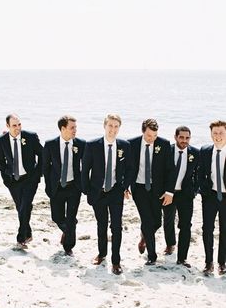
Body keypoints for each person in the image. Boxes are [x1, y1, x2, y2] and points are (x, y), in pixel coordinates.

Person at [82, 114, 133, 275]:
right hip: (98, 192)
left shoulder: (125, 145)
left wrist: (125, 186)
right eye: (110, 126)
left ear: (119, 128)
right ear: (105, 126)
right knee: (101, 225)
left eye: (116, 126)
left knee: (116, 227)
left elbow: (131, 169)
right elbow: (85, 171)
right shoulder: (92, 145)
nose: (113, 129)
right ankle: (102, 254)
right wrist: (87, 191)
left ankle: (116, 261)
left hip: (116, 192)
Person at [129, 118, 175, 265]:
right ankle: (152, 256)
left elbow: (170, 170)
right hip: (139, 188)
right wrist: (124, 187)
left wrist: (169, 191)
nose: (151, 139)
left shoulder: (164, 144)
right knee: (148, 220)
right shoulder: (132, 144)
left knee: (157, 222)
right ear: (143, 131)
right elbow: (127, 168)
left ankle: (144, 237)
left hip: (157, 189)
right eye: (149, 136)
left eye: (154, 136)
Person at [0, 113, 43, 249]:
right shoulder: (1, 140)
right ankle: (28, 233)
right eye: (14, 125)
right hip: (13, 180)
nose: (17, 128)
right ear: (7, 126)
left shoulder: (31, 137)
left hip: (30, 179)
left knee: (25, 205)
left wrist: (37, 174)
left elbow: (42, 154)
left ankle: (21, 239)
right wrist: (5, 178)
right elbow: (1, 160)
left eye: (19, 125)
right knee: (21, 208)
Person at [43, 115, 85, 256]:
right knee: (57, 217)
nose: (75, 130)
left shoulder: (81, 144)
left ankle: (68, 247)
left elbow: (87, 166)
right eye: (72, 128)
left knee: (71, 218)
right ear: (63, 128)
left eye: (76, 128)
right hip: (57, 187)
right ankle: (70, 229)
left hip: (74, 187)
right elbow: (45, 168)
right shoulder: (50, 145)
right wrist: (48, 187)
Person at [162, 126, 199, 268]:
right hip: (168, 192)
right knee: (168, 219)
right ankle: (170, 244)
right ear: (175, 137)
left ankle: (182, 258)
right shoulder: (168, 151)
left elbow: (198, 173)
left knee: (185, 225)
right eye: (181, 137)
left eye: (187, 138)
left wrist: (194, 191)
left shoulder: (195, 153)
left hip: (186, 194)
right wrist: (165, 191)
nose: (184, 140)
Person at [199, 120, 226, 276]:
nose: (218, 136)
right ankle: (208, 262)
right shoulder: (205, 150)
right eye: (215, 133)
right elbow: (200, 173)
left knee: (224, 230)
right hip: (210, 196)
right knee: (207, 229)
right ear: (211, 134)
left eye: (221, 132)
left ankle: (222, 262)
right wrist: (204, 190)